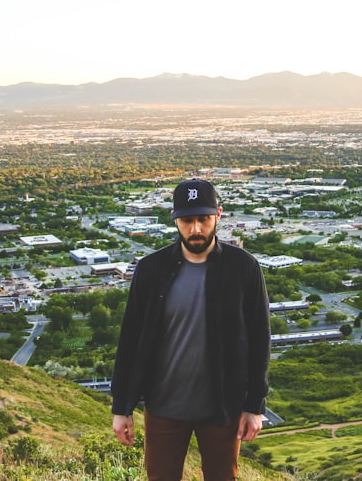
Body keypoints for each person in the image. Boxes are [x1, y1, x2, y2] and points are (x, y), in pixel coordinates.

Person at [111, 178, 271, 481]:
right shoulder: (151, 270)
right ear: (175, 219)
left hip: (223, 408)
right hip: (163, 406)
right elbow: (131, 339)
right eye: (187, 220)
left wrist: (255, 405)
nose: (195, 229)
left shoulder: (244, 268)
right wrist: (122, 407)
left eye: (203, 219)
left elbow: (260, 339)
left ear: (219, 215)